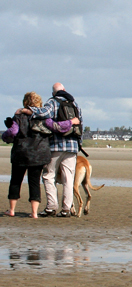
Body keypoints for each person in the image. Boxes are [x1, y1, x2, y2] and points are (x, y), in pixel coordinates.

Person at [17, 83, 83, 217]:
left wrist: (26, 110)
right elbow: (80, 124)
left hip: (55, 146)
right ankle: (66, 209)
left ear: (53, 93)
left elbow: (43, 113)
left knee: (49, 175)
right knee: (68, 179)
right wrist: (78, 144)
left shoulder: (52, 102)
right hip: (72, 146)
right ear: (64, 90)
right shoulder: (75, 105)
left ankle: (51, 207)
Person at [2, 92, 51, 218]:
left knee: (16, 181)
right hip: (39, 153)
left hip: (21, 152)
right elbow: (53, 128)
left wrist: (5, 137)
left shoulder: (19, 116)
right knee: (34, 182)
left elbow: (13, 131)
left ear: (25, 102)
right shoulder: (44, 117)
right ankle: (34, 213)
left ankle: (12, 210)